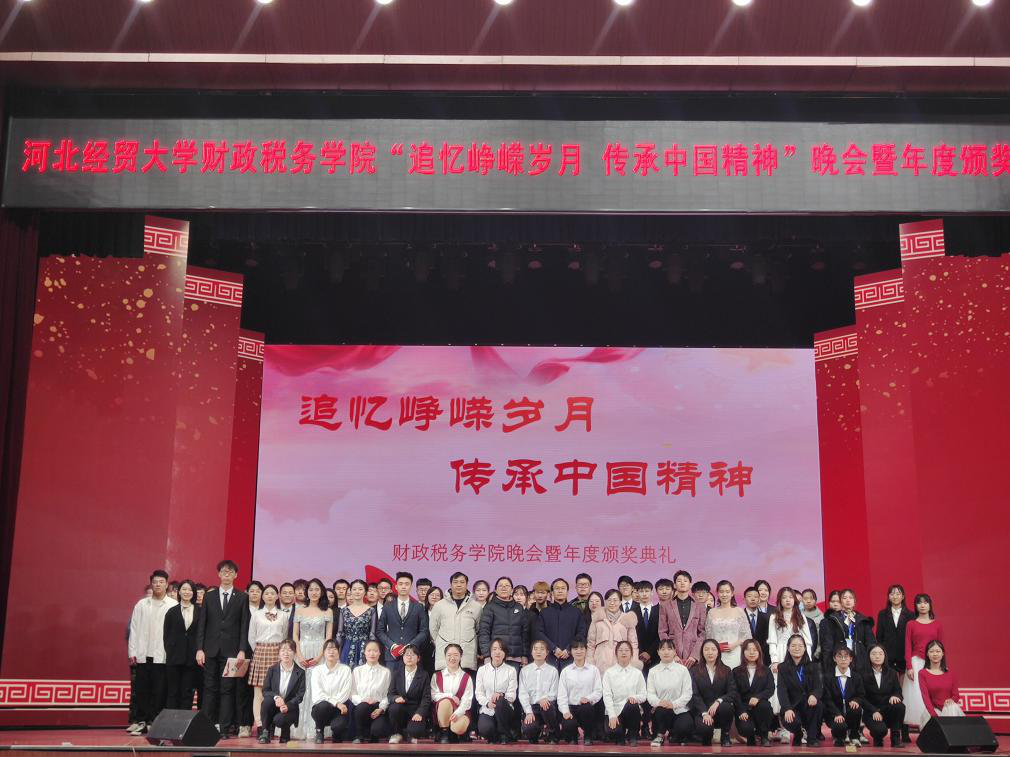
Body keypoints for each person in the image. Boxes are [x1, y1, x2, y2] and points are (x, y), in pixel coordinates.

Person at [195, 559, 249, 737]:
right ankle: (206, 728)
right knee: (209, 689)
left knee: (227, 690)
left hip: (232, 651)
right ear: (218, 574)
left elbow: (244, 625)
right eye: (224, 571)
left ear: (236, 575)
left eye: (230, 572)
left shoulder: (242, 597)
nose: (227, 575)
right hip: (210, 650)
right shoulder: (209, 596)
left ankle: (224, 728)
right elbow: (202, 624)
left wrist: (242, 649)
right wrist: (199, 649)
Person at [128, 569, 177, 734]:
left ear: (167, 584)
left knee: (160, 690)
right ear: (151, 584)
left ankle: (154, 722)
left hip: (162, 655)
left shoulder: (173, 605)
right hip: (143, 654)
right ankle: (142, 720)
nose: (158, 585)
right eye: (155, 582)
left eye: (161, 582)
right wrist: (132, 652)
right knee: (142, 689)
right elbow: (134, 629)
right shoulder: (142, 604)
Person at [293, 578, 333, 739]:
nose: (314, 592)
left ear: (321, 592)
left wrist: (319, 656)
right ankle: (298, 728)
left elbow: (328, 637)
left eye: (317, 589)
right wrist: (299, 655)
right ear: (306, 592)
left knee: (318, 687)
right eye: (311, 589)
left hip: (320, 651)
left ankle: (317, 727)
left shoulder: (327, 611)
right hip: (302, 650)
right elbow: (295, 635)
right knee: (301, 687)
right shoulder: (299, 610)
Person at [247, 584, 288, 735]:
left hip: (277, 653)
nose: (270, 596)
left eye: (272, 593)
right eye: (267, 593)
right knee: (259, 693)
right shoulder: (256, 615)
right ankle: (259, 724)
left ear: (277, 596)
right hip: (261, 652)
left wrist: (280, 653)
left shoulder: (283, 615)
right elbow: (251, 637)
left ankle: (272, 724)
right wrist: (260, 651)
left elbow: (285, 636)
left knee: (277, 691)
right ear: (262, 596)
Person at [429, 572, 482, 675]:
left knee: (467, 684)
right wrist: (441, 642)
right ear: (450, 584)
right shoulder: (439, 605)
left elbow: (478, 629)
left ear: (467, 584)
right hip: (445, 657)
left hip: (467, 657)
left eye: (462, 582)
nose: (459, 585)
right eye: (455, 582)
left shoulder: (476, 606)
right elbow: (433, 629)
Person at [902, 593, 942, 729]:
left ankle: (933, 727)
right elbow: (908, 646)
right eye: (919, 603)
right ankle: (923, 728)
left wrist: (942, 666)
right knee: (918, 696)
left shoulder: (937, 624)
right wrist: (909, 666)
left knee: (933, 694)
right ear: (916, 606)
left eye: (925, 602)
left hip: (934, 664)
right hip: (916, 663)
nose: (922, 605)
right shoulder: (911, 624)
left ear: (930, 605)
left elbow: (941, 647)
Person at [777, 634, 823, 747]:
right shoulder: (783, 667)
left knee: (819, 705)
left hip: (808, 704)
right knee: (791, 721)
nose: (797, 648)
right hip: (792, 706)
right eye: (793, 646)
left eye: (800, 646)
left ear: (805, 648)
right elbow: (781, 690)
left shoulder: (813, 666)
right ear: (788, 648)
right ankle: (798, 734)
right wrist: (787, 708)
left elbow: (818, 686)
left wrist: (814, 695)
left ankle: (812, 738)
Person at [646, 639, 694, 747]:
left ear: (675, 652)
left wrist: (673, 704)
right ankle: (660, 735)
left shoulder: (683, 670)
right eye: (662, 649)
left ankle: (675, 734)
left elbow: (687, 693)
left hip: (679, 709)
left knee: (685, 726)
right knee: (662, 711)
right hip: (661, 710)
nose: (666, 652)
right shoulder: (653, 671)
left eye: (669, 649)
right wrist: (659, 702)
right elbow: (650, 694)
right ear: (658, 652)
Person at [377, 571, 429, 669]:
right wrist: (392, 646)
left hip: (412, 655)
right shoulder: (388, 606)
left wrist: (411, 645)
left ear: (411, 587)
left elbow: (424, 631)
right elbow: (380, 631)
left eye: (407, 584)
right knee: (392, 679)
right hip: (392, 656)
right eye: (401, 584)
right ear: (396, 587)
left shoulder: (418, 607)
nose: (404, 587)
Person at [689, 638, 736, 746]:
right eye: (706, 649)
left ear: (718, 652)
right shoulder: (694, 670)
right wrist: (704, 713)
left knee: (727, 707)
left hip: (720, 711)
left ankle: (725, 735)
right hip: (702, 711)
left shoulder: (726, 670)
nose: (710, 652)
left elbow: (732, 692)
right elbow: (694, 694)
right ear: (702, 652)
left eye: (713, 649)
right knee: (705, 731)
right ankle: (707, 737)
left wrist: (718, 701)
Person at [164, 579, 201, 712]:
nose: (186, 592)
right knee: (172, 691)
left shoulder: (200, 611)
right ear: (179, 592)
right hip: (174, 658)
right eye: (184, 589)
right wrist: (170, 651)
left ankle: (184, 721)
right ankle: (171, 720)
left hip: (192, 658)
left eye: (190, 590)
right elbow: (166, 635)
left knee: (187, 692)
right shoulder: (171, 611)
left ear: (194, 592)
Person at [477, 576, 528, 673]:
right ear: (496, 590)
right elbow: (484, 632)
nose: (504, 587)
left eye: (507, 585)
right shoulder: (490, 607)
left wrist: (524, 655)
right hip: (495, 657)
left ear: (512, 590)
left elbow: (524, 633)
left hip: (515, 658)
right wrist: (487, 655)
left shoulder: (519, 608)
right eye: (500, 586)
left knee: (513, 683)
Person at [558, 639, 603, 746]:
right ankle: (573, 736)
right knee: (568, 724)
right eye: (575, 648)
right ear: (571, 651)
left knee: (586, 708)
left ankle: (588, 735)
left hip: (587, 708)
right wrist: (565, 711)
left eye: (582, 648)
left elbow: (598, 691)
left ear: (586, 650)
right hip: (571, 708)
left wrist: (588, 698)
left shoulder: (593, 670)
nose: (579, 651)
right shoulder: (566, 671)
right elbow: (561, 696)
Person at [258, 639, 305, 743]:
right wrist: (276, 697)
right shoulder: (272, 670)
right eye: (283, 650)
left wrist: (287, 705)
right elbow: (265, 690)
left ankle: (285, 731)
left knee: (279, 720)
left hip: (290, 707)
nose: (286, 653)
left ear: (295, 653)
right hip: (274, 705)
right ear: (279, 653)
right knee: (266, 702)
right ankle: (265, 732)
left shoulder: (300, 672)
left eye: (289, 650)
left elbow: (300, 696)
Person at [602, 640, 647, 746]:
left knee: (632, 704)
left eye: (627, 650)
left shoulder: (637, 673)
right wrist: (612, 715)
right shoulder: (609, 673)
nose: (623, 653)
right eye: (621, 650)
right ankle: (620, 735)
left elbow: (643, 695)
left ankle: (633, 735)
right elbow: (607, 696)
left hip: (631, 710)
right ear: (616, 653)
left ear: (631, 654)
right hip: (615, 710)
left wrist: (634, 697)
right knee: (612, 733)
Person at [537, 578, 588, 671]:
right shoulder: (544, 612)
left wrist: (569, 649)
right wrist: (553, 648)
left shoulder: (576, 612)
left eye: (563, 588)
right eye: (557, 588)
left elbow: (581, 632)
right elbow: (539, 633)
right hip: (549, 658)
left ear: (567, 592)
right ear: (552, 592)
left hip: (571, 658)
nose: (560, 591)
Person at [658, 569, 707, 668]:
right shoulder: (666, 606)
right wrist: (672, 654)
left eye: (685, 581)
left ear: (690, 584)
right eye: (679, 581)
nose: (682, 583)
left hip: (693, 658)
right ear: (675, 585)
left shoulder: (700, 606)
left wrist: (695, 655)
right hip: (673, 657)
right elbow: (662, 631)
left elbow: (703, 632)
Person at [384, 644, 431, 744]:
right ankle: (397, 733)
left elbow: (426, 698)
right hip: (400, 709)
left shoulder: (424, 675)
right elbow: (390, 694)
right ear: (403, 657)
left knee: (416, 731)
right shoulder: (396, 673)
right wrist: (395, 698)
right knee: (394, 708)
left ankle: (408, 733)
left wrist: (420, 712)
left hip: (415, 710)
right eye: (406, 655)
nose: (409, 657)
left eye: (413, 655)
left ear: (418, 658)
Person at [822, 588, 876, 676]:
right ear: (840, 601)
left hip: (860, 661)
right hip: (840, 660)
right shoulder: (832, 620)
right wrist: (827, 666)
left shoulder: (863, 620)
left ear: (854, 602)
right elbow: (827, 645)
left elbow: (871, 643)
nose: (848, 600)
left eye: (850, 598)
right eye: (844, 598)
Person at [475, 638, 519, 743]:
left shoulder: (511, 670)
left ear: (505, 653)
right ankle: (496, 735)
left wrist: (501, 695)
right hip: (488, 708)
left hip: (505, 709)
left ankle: (504, 733)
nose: (497, 652)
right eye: (494, 649)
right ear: (490, 652)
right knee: (485, 729)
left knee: (499, 700)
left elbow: (512, 695)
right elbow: (479, 693)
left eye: (500, 649)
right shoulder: (482, 670)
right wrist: (487, 703)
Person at [733, 638, 775, 746]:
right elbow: (734, 692)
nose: (751, 652)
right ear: (743, 652)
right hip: (743, 707)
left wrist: (758, 697)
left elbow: (770, 689)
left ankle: (764, 736)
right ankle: (751, 737)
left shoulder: (766, 670)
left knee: (765, 706)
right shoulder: (736, 671)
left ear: (759, 652)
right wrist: (741, 710)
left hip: (760, 706)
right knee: (746, 729)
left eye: (755, 650)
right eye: (748, 649)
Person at [309, 639, 352, 744]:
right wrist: (336, 703)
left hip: (339, 710)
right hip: (322, 709)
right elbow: (318, 695)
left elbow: (346, 692)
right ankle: (319, 731)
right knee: (323, 705)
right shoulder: (317, 670)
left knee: (339, 726)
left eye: (334, 649)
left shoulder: (346, 670)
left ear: (339, 652)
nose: (331, 651)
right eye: (328, 649)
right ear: (324, 653)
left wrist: (336, 704)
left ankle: (336, 734)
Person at [587, 588, 640, 674]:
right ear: (605, 601)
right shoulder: (597, 618)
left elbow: (633, 643)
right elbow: (591, 644)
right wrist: (590, 661)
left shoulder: (627, 618)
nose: (612, 603)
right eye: (609, 600)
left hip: (621, 660)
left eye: (615, 600)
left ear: (620, 602)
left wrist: (634, 661)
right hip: (600, 661)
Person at [863, 643, 906, 747]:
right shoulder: (862, 674)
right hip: (871, 712)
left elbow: (898, 691)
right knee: (880, 731)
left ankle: (895, 738)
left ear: (885, 656)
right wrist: (874, 711)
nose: (877, 656)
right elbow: (861, 697)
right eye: (874, 654)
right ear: (868, 656)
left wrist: (895, 696)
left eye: (880, 653)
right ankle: (878, 737)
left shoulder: (892, 673)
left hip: (887, 710)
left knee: (899, 706)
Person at [823, 646, 868, 746]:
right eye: (839, 656)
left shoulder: (856, 676)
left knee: (856, 709)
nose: (843, 659)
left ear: (851, 659)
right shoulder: (828, 677)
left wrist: (856, 700)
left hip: (850, 711)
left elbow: (861, 694)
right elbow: (826, 699)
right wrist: (836, 713)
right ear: (834, 659)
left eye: (846, 656)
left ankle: (854, 736)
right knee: (840, 730)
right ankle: (838, 736)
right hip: (835, 713)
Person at [519, 639, 560, 744]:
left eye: (542, 649)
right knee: (529, 728)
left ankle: (553, 733)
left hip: (547, 707)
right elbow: (522, 694)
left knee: (547, 706)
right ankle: (535, 734)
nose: (538, 652)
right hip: (532, 708)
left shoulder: (553, 671)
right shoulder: (525, 671)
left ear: (547, 652)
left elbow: (554, 692)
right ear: (532, 652)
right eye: (535, 649)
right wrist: (528, 712)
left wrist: (545, 699)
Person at [236, 581, 263, 737]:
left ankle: (261, 725)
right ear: (246, 593)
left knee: (260, 692)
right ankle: (243, 725)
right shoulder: (241, 608)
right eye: (251, 591)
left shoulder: (266, 610)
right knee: (243, 690)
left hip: (262, 655)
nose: (254, 593)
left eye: (258, 591)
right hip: (243, 654)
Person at [431, 643, 474, 743]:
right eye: (449, 655)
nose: (452, 658)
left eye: (456, 655)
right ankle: (444, 732)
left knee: (458, 728)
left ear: (461, 656)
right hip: (442, 711)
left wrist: (458, 713)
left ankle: (456, 733)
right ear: (445, 657)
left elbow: (467, 701)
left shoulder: (466, 677)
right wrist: (450, 696)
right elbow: (433, 695)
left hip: (461, 711)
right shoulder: (437, 676)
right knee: (445, 701)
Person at [350, 639, 391, 743]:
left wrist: (381, 709)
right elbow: (352, 693)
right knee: (362, 707)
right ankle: (359, 736)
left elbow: (387, 694)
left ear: (380, 653)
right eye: (369, 650)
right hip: (361, 706)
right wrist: (362, 700)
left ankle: (374, 735)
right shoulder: (357, 671)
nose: (372, 653)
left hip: (378, 706)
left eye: (375, 651)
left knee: (378, 730)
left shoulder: (386, 672)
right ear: (364, 652)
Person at [705, 579, 751, 668]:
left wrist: (734, 645)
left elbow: (746, 636)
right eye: (721, 592)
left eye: (727, 592)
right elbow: (708, 636)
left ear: (732, 593)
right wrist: (715, 647)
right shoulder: (711, 612)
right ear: (717, 593)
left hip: (735, 653)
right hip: (716, 654)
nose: (724, 594)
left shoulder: (739, 611)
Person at [768, 587, 814, 672]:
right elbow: (772, 641)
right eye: (784, 597)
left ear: (794, 599)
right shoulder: (774, 617)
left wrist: (808, 659)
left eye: (790, 597)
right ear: (780, 600)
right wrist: (774, 661)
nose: (788, 600)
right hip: (781, 653)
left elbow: (807, 641)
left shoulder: (801, 616)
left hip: (798, 652)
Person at [918, 640, 963, 726]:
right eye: (931, 651)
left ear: (943, 654)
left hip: (949, 710)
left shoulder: (950, 673)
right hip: (933, 711)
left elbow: (956, 695)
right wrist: (935, 716)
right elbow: (926, 698)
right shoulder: (922, 673)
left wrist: (951, 700)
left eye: (938, 651)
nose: (935, 654)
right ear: (927, 654)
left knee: (951, 707)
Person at [334, 579, 377, 667]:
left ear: (365, 592)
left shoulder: (371, 611)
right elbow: (340, 633)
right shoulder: (344, 611)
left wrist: (372, 651)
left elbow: (372, 634)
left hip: (365, 648)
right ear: (350, 591)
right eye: (354, 589)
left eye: (360, 589)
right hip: (347, 647)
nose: (357, 592)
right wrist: (337, 652)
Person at [877, 585, 913, 678]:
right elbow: (879, 636)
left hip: (905, 656)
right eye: (892, 594)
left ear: (903, 596)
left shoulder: (911, 615)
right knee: (890, 683)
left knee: (904, 684)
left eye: (898, 594)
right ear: (888, 597)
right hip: (888, 657)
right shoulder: (882, 614)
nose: (895, 596)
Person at [743, 586, 772, 666]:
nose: (753, 599)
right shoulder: (739, 616)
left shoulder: (766, 618)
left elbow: (768, 638)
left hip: (763, 658)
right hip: (743, 657)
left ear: (759, 599)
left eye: (756, 597)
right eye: (749, 596)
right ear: (744, 599)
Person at [420, 586, 443, 674]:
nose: (434, 597)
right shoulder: (422, 611)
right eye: (432, 594)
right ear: (427, 596)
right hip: (423, 648)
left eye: (437, 595)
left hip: (439, 647)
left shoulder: (444, 613)